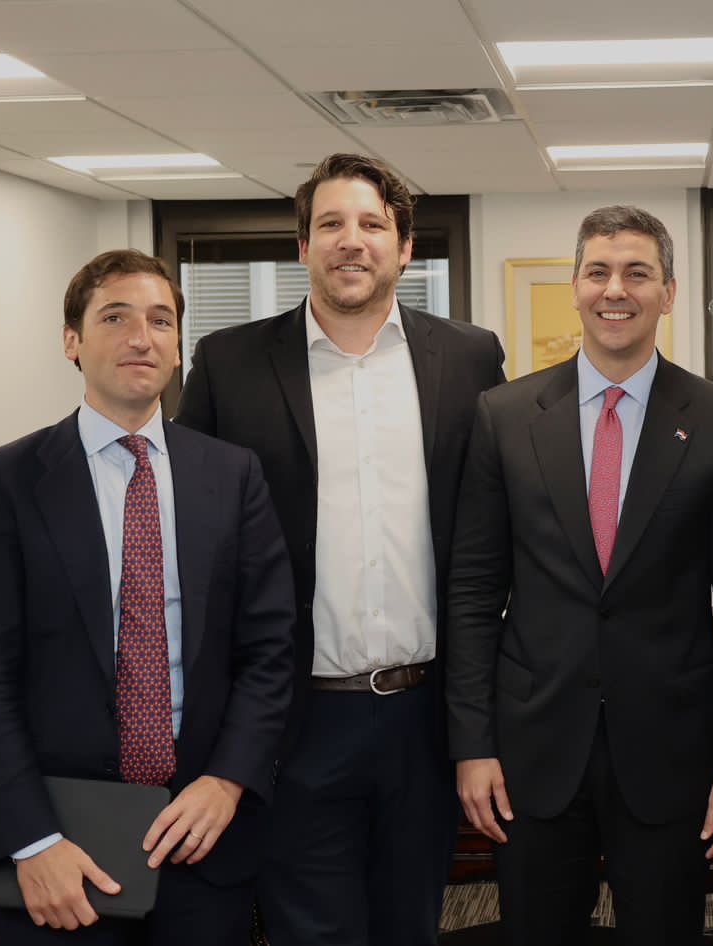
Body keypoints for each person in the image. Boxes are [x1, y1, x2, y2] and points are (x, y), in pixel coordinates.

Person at [174, 153, 505, 946]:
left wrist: (479, 730)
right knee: (308, 932)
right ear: (302, 247)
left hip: (424, 720)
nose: (350, 241)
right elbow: (197, 551)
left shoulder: (469, 359)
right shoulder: (230, 363)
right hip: (295, 721)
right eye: (330, 224)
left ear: (405, 247)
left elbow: (491, 543)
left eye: (370, 224)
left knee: (412, 925)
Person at [447, 205, 713, 946]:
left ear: (669, 291)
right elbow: (472, 593)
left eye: (637, 272)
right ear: (575, 285)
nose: (614, 289)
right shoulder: (504, 416)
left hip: (673, 751)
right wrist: (472, 745)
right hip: (531, 752)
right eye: (598, 271)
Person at [0, 249, 297, 945]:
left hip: (202, 838)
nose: (141, 337)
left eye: (160, 321)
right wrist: (30, 841)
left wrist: (228, 781)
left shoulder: (231, 476)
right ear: (72, 341)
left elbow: (270, 649)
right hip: (63, 850)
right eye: (116, 317)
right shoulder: (6, 482)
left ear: (176, 350)